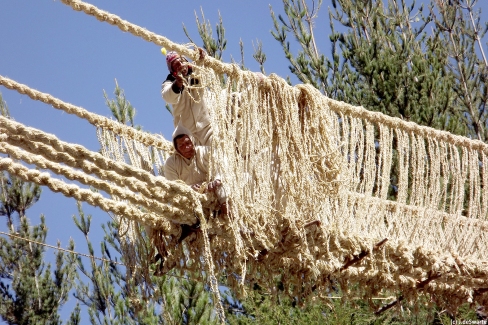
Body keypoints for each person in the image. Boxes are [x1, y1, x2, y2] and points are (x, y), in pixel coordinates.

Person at [164, 123, 227, 216]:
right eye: (181, 146)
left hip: (211, 192)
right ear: (177, 149)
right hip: (189, 198)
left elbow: (221, 164)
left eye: (188, 143)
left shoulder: (205, 152)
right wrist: (189, 189)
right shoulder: (171, 163)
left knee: (222, 187)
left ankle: (228, 217)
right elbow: (173, 187)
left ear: (192, 141)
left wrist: (217, 180)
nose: (186, 148)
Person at [161, 49, 213, 146]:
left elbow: (205, 73)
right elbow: (167, 96)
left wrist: (202, 58)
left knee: (216, 150)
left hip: (207, 127)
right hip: (187, 134)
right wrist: (177, 84)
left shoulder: (196, 71)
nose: (180, 65)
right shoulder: (170, 82)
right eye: (176, 65)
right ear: (173, 71)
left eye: (182, 61)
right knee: (194, 159)